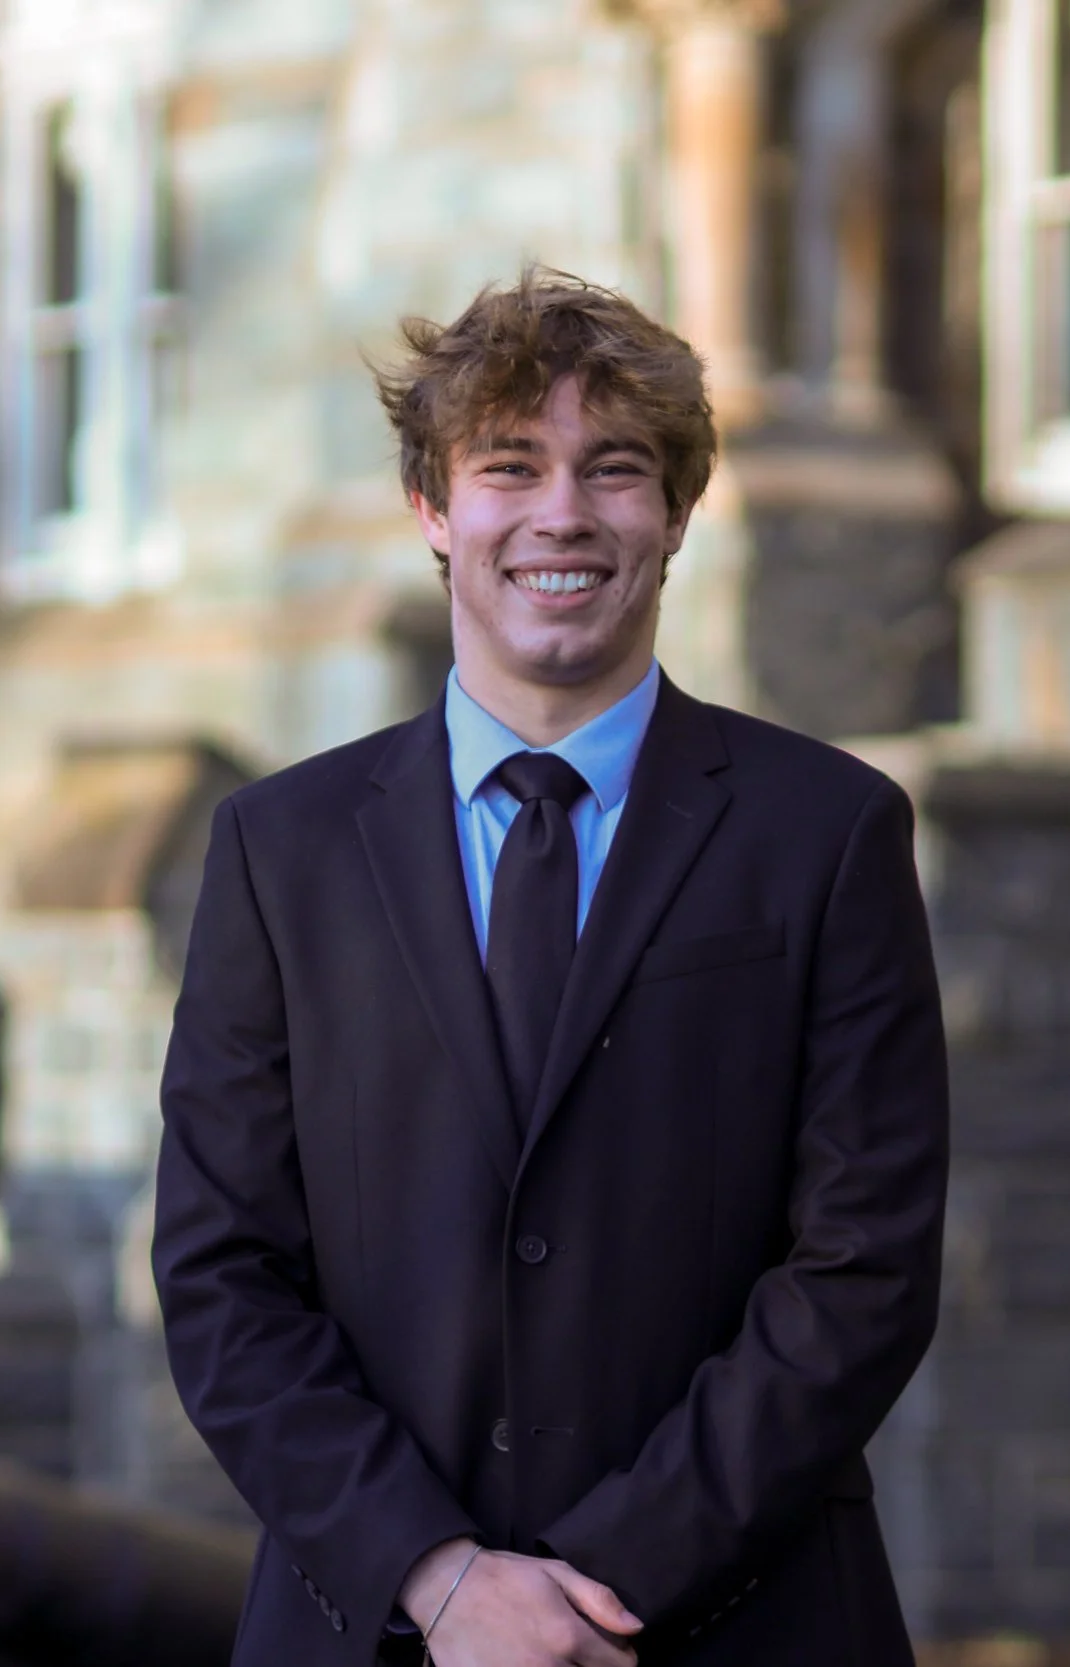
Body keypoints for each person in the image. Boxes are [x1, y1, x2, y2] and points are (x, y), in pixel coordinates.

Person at [152, 268, 950, 1666]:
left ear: (679, 512)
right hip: (375, 1629)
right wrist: (441, 1578)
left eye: (616, 468)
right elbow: (223, 1276)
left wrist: (595, 1588)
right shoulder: (280, 853)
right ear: (432, 508)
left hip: (743, 1624)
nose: (563, 512)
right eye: (510, 465)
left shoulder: (829, 834)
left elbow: (864, 1269)